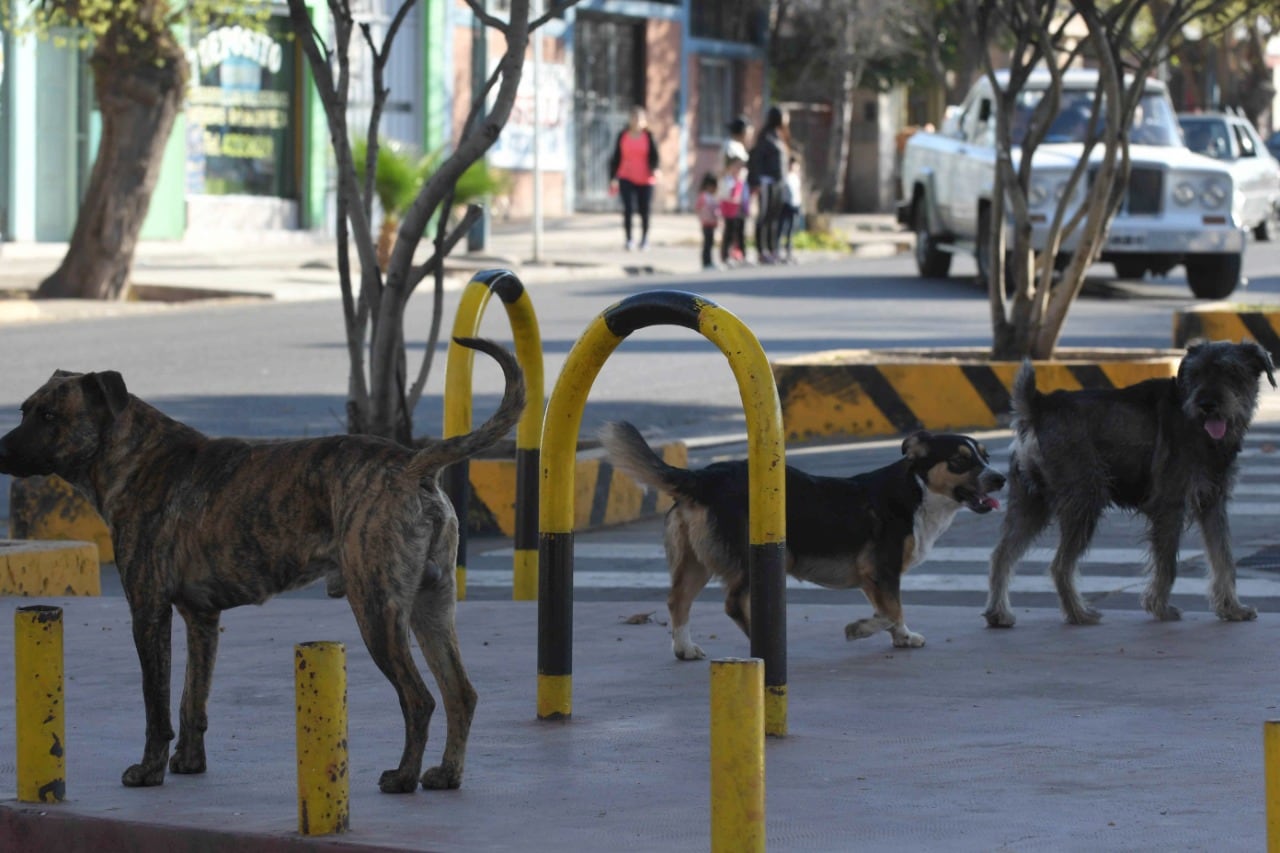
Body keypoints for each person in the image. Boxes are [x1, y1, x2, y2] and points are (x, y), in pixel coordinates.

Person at [609, 105, 660, 250]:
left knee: (645, 210)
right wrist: (613, 177)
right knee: (628, 209)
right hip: (626, 176)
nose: (637, 121)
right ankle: (629, 239)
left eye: (640, 118)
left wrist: (655, 169)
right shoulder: (623, 135)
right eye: (634, 118)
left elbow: (655, 157)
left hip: (645, 178)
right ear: (630, 120)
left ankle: (644, 239)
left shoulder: (649, 136)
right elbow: (616, 157)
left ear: (644, 121)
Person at [747, 105, 790, 264]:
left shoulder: (779, 136)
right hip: (766, 183)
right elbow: (756, 160)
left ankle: (773, 249)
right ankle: (761, 250)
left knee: (774, 217)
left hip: (778, 182)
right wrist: (756, 181)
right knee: (764, 216)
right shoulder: (765, 137)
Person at [718, 155, 748, 265]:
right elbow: (724, 195)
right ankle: (725, 256)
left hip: (739, 210)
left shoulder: (741, 180)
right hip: (729, 210)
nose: (738, 169)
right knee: (728, 233)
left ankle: (740, 254)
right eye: (736, 166)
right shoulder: (727, 180)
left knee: (740, 233)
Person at [695, 172, 721, 270]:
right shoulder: (704, 196)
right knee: (707, 243)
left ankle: (710, 261)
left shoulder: (712, 197)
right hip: (706, 223)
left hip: (712, 223)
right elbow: (698, 208)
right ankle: (706, 262)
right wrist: (703, 217)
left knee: (710, 243)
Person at [779, 156, 803, 263]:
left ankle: (789, 251)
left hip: (795, 205)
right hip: (786, 205)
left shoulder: (796, 177)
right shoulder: (786, 177)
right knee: (783, 228)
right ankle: (779, 251)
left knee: (791, 230)